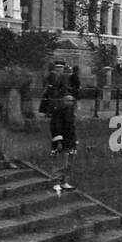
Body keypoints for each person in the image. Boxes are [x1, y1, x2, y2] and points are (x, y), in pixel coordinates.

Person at [42, 61, 77, 193]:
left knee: (68, 163)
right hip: (61, 140)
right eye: (68, 101)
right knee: (60, 162)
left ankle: (64, 181)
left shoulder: (69, 112)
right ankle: (57, 182)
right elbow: (56, 126)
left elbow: (71, 127)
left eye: (71, 101)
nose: (71, 103)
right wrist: (59, 140)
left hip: (69, 140)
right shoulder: (59, 112)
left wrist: (74, 139)